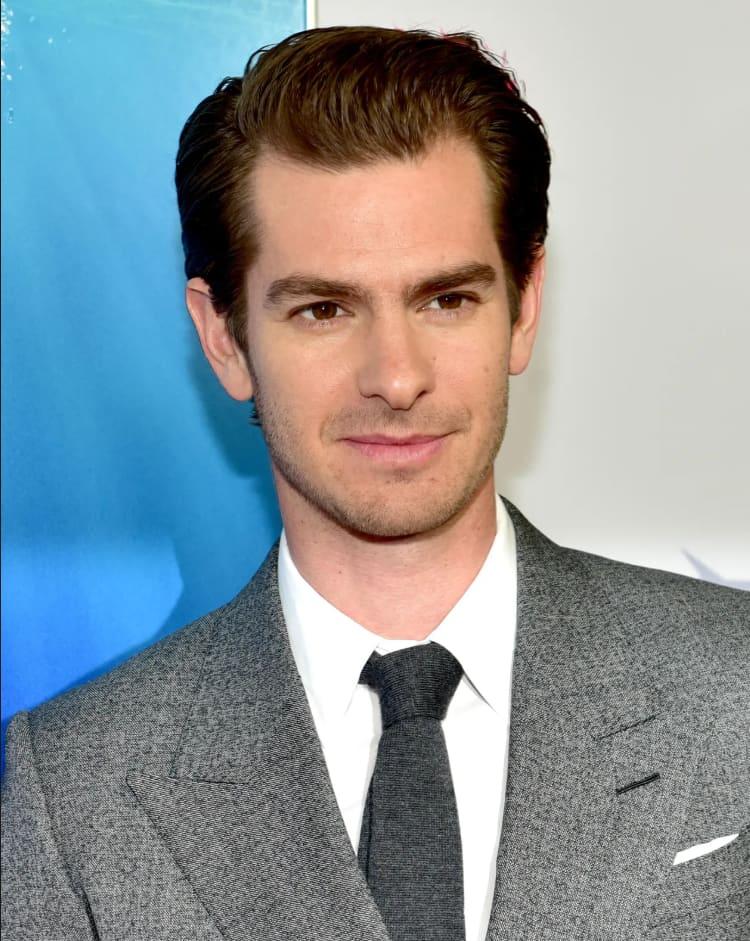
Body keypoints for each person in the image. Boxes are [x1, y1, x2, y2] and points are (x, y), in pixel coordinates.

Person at [1, 25, 748, 941]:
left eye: (446, 299)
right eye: (324, 309)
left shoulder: (736, 687)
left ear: (524, 306)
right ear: (225, 337)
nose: (396, 377)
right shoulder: (75, 791)